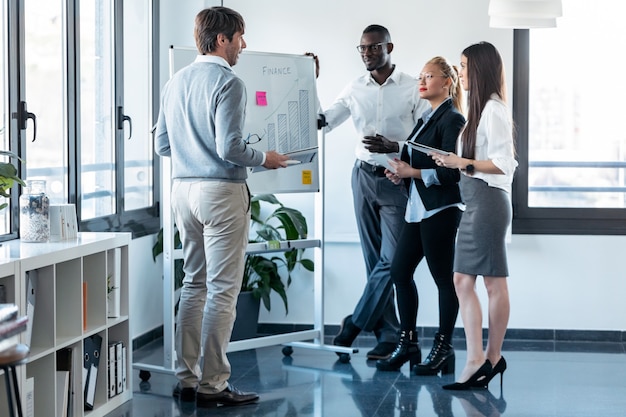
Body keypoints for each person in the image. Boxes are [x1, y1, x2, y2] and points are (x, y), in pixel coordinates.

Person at [154, 6, 289, 408]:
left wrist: (190, 151)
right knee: (224, 290)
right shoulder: (229, 83)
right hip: (220, 193)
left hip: (183, 191)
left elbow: (163, 145)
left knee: (194, 283)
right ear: (221, 40)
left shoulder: (175, 81)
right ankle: (214, 384)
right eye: (239, 38)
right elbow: (229, 148)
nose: (243, 46)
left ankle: (187, 379)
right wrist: (265, 157)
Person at [322, 24, 430, 360]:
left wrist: (397, 149)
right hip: (363, 177)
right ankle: (387, 333)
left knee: (393, 260)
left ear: (389, 47)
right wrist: (304, 83)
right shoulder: (355, 88)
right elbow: (325, 120)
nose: (367, 54)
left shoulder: (413, 88)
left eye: (373, 47)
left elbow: (427, 138)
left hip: (396, 180)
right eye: (362, 49)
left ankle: (354, 323)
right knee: (374, 261)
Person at [366, 56, 466, 374]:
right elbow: (419, 157)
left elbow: (452, 172)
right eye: (421, 76)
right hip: (418, 208)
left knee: (443, 280)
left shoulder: (453, 119)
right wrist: (405, 173)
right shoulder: (427, 116)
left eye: (429, 76)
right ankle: (408, 343)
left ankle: (443, 347)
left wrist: (414, 171)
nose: (421, 81)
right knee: (399, 272)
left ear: (447, 82)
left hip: (440, 210)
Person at [430, 42, 518, 390]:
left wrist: (460, 162)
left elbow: (504, 163)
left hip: (489, 201)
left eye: (464, 66)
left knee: (491, 282)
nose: (460, 73)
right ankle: (480, 358)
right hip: (477, 202)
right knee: (463, 281)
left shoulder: (494, 110)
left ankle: (488, 359)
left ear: (479, 69)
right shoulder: (478, 113)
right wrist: (452, 161)